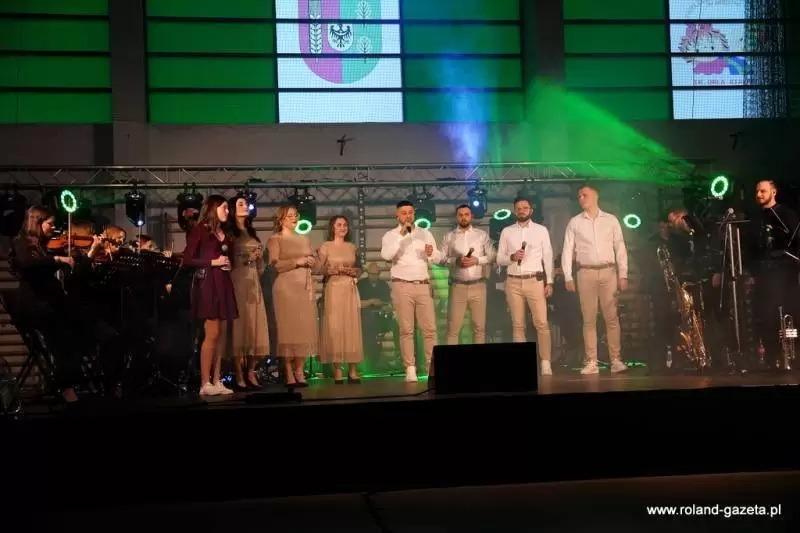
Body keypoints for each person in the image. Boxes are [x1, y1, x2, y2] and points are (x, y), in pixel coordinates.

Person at [8, 206, 79, 403]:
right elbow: (27, 263)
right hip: (36, 307)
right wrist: (56, 259)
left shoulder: (41, 246)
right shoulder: (20, 242)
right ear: (37, 223)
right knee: (64, 339)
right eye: (50, 223)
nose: (53, 227)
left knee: (76, 333)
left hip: (48, 305)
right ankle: (65, 387)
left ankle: (65, 383)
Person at [561, 184, 629, 375]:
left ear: (596, 196)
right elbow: (567, 249)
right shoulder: (575, 222)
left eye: (585, 195)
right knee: (589, 319)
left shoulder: (611, 220)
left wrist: (623, 274)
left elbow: (620, 248)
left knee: (611, 317)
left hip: (608, 272)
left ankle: (616, 360)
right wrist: (567, 275)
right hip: (586, 272)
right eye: (579, 196)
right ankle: (591, 361)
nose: (581, 198)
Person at [380, 200, 443, 382]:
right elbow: (386, 255)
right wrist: (402, 235)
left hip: (423, 284)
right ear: (397, 216)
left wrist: (432, 253)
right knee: (406, 329)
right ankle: (410, 368)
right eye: (404, 213)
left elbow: (437, 258)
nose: (408, 216)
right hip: (402, 285)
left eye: (410, 212)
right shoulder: (391, 235)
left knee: (430, 329)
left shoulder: (425, 233)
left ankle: (432, 367)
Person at [182, 195, 237, 396]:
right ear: (213, 208)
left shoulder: (225, 233)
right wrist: (213, 262)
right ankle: (205, 383)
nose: (228, 211)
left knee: (220, 336)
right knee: (212, 333)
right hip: (208, 284)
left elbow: (228, 258)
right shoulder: (200, 230)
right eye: (224, 207)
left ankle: (216, 379)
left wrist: (228, 264)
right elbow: (187, 259)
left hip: (223, 282)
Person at [496, 197, 554, 376]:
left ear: (531, 210)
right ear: (515, 211)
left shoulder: (541, 230)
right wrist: (512, 257)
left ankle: (545, 362)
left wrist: (549, 281)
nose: (522, 210)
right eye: (518, 208)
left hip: (534, 280)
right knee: (518, 324)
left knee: (541, 323)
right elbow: (499, 259)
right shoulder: (507, 231)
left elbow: (548, 256)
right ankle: (521, 364)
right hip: (513, 281)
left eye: (525, 208)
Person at [746, 180, 800, 370]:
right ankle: (772, 358)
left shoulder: (786, 214)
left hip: (784, 273)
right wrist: (752, 272)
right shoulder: (756, 218)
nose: (759, 195)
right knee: (765, 316)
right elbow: (751, 249)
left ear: (774, 192)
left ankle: (792, 357)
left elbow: (796, 239)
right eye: (757, 191)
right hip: (763, 274)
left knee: (788, 313)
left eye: (763, 191)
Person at [266, 204, 318, 387]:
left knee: (303, 329)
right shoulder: (275, 239)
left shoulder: (305, 239)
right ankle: (288, 371)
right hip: (286, 288)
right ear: (281, 220)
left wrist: (312, 261)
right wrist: (297, 261)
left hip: (305, 288)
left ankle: (299, 370)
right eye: (290, 216)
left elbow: (317, 265)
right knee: (287, 330)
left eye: (296, 215)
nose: (294, 218)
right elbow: (274, 266)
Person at [224, 196, 269, 390]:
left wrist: (258, 259)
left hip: (253, 281)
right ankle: (238, 373)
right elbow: (228, 259)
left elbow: (261, 266)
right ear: (233, 209)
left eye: (246, 204)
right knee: (240, 326)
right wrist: (246, 258)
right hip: (237, 280)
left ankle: (251, 370)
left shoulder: (252, 232)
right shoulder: (229, 233)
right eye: (240, 204)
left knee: (255, 325)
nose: (245, 207)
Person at [316, 215, 363, 383]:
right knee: (335, 326)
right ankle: (337, 370)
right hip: (334, 288)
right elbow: (317, 268)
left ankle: (352, 369)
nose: (343, 227)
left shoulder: (352, 247)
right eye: (339, 225)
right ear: (332, 228)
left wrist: (354, 271)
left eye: (345, 225)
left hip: (349, 288)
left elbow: (359, 269)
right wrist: (330, 271)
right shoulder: (326, 246)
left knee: (351, 326)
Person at [439, 204, 495, 345]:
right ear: (456, 217)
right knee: (453, 328)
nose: (463, 217)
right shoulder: (449, 236)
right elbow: (440, 259)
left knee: (479, 328)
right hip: (458, 286)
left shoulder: (481, 235)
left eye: (466, 214)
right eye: (460, 215)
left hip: (478, 285)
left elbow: (492, 256)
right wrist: (456, 261)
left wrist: (477, 260)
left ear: (472, 216)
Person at [358, 263, 397, 372]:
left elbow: (389, 302)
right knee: (368, 327)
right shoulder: (361, 284)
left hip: (381, 317)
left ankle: (398, 358)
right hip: (364, 318)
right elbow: (355, 303)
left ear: (379, 274)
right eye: (371, 274)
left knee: (398, 325)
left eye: (375, 274)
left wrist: (385, 305)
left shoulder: (383, 285)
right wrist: (370, 302)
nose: (373, 276)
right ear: (368, 273)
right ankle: (369, 360)